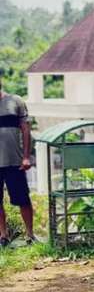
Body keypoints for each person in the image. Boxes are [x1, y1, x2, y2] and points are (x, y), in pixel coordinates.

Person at [0, 77, 35, 247]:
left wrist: (26, 156)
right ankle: (3, 236)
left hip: (15, 161)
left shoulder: (16, 101)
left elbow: (26, 130)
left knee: (23, 199)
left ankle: (30, 235)